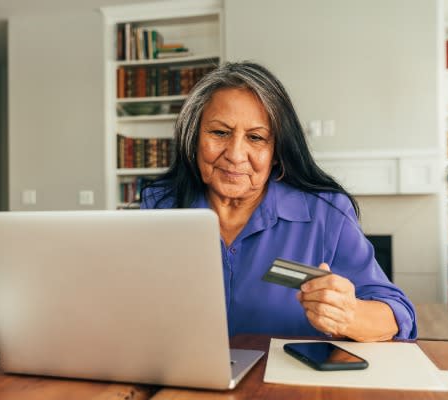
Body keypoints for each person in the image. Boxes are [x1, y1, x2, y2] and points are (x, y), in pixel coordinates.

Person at [141, 61, 416, 342]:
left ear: (276, 151)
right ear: (193, 138)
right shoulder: (160, 205)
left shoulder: (326, 211)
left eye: (256, 137)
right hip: (183, 379)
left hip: (290, 383)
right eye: (220, 133)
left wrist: (349, 315)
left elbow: (396, 315)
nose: (236, 154)